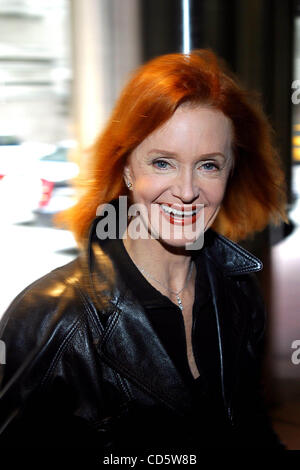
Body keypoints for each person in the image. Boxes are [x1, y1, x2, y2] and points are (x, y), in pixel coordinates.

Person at [0, 50, 287, 453]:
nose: (187, 192)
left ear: (231, 170)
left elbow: (253, 430)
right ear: (127, 168)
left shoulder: (239, 291)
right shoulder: (49, 319)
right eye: (163, 163)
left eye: (208, 165)